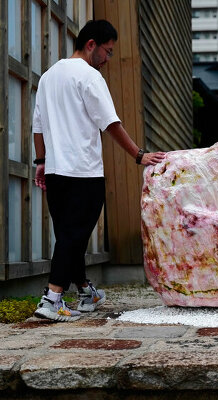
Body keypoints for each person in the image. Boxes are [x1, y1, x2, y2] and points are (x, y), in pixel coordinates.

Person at [32, 20, 165, 322]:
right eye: (108, 51)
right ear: (91, 44)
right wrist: (138, 155)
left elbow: (37, 126)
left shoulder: (49, 76)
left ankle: (85, 292)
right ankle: (52, 298)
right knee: (74, 237)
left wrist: (41, 163)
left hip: (55, 171)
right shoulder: (89, 77)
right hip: (83, 172)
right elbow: (110, 123)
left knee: (69, 235)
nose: (108, 59)